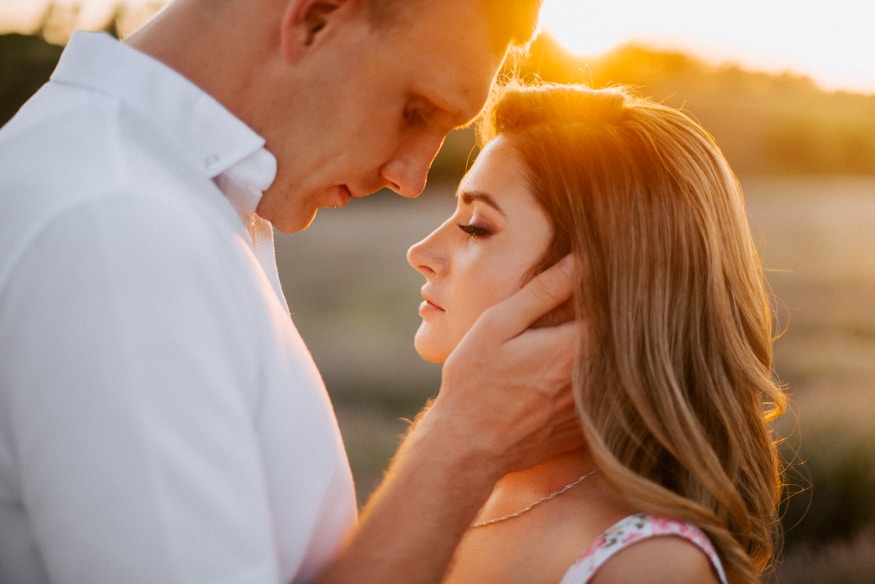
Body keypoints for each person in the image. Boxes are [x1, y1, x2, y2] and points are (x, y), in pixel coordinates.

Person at [0, 1, 583, 583]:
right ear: (316, 18)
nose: (408, 178)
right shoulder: (117, 223)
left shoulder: (171, 197)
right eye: (415, 110)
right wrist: (463, 445)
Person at [407, 81, 788, 583]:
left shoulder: (648, 564)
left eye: (476, 225)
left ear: (600, 284)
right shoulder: (454, 477)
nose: (421, 252)